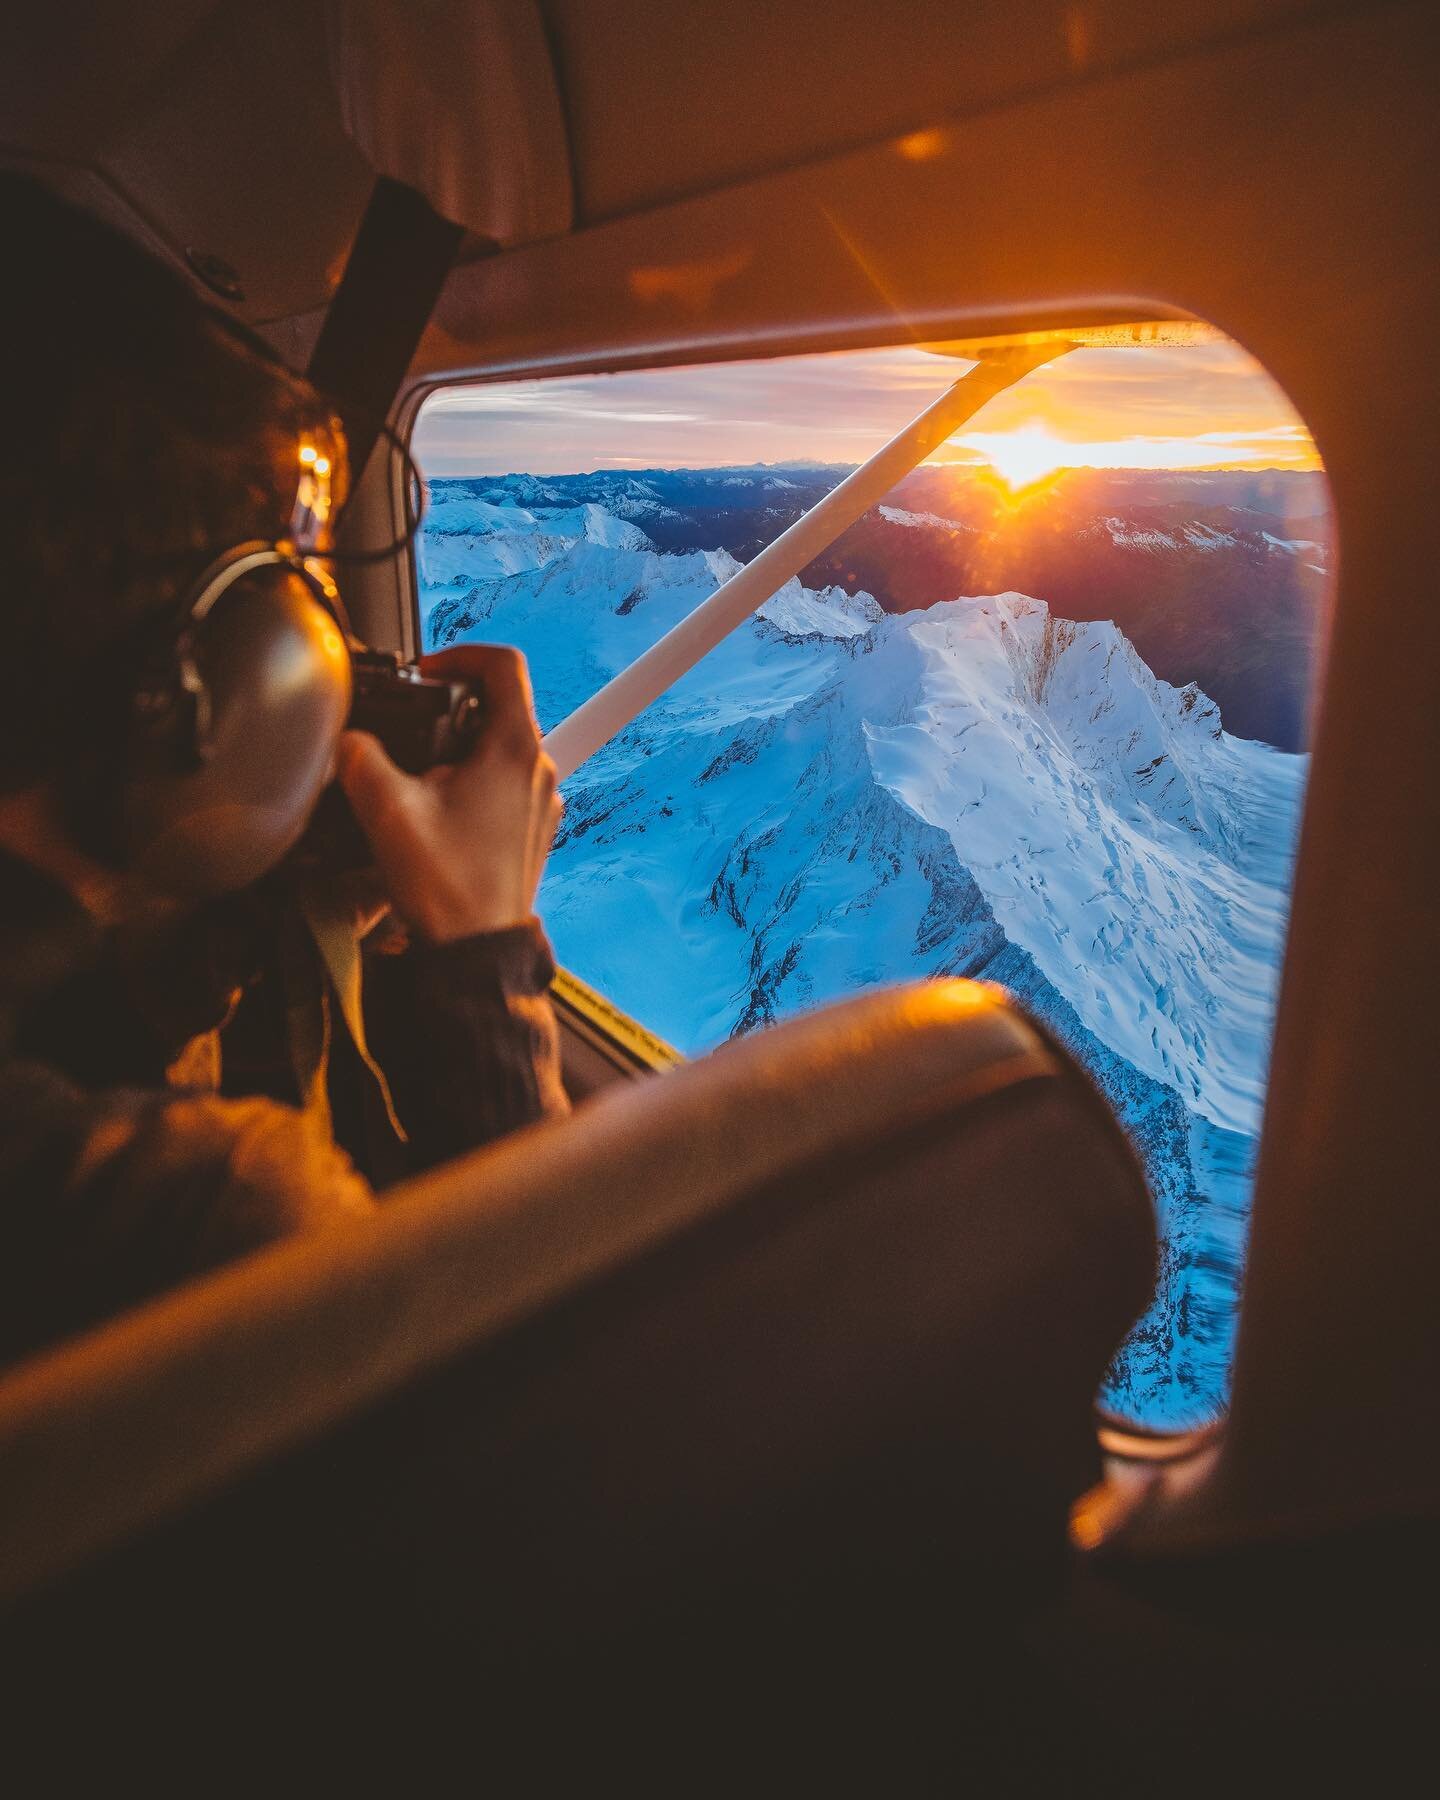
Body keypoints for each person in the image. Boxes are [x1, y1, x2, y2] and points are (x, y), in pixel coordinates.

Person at [0, 174, 568, 1366]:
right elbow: (578, 1473)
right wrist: (483, 968)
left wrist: (234, 921)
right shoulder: (201, 1223)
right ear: (203, 693)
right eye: (286, 583)